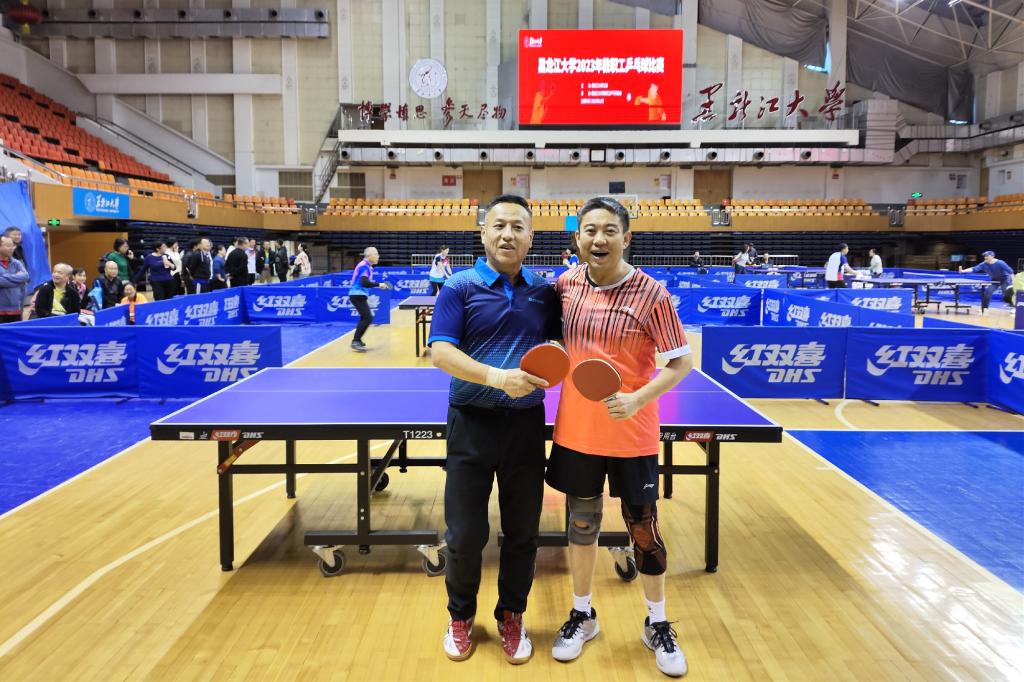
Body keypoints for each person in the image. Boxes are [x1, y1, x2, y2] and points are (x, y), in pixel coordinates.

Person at [546, 196, 692, 678]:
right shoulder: (565, 285)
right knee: (581, 525)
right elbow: (550, 340)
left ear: (626, 238)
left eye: (609, 230)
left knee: (643, 531)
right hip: (578, 431)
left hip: (632, 433)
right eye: (590, 230)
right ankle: (582, 614)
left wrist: (636, 399)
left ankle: (657, 622)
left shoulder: (652, 294)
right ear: (577, 238)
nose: (599, 239)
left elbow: (680, 363)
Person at [428, 194, 561, 664]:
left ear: (531, 237)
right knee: (465, 534)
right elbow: (441, 353)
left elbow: (560, 347)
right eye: (499, 225)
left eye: (517, 227)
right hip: (471, 423)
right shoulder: (460, 287)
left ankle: (511, 615)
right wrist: (498, 378)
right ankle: (460, 616)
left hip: (525, 426)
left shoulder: (544, 292)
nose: (508, 234)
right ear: (483, 233)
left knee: (523, 532)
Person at [348, 246, 390, 352]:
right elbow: (364, 282)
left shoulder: (367, 266)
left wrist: (377, 285)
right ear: (369, 256)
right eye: (376, 254)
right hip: (357, 295)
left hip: (358, 295)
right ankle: (356, 341)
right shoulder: (364, 266)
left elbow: (365, 282)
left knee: (365, 317)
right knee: (367, 318)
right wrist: (378, 284)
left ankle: (357, 340)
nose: (378, 256)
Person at [0, 234, 29, 323]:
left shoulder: (17, 263)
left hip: (16, 309)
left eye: (12, 246)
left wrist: (5, 277)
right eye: (8, 246)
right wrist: (17, 280)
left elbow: (26, 276)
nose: (11, 248)